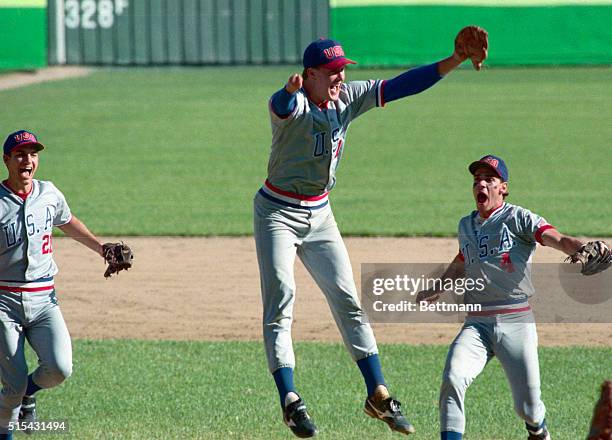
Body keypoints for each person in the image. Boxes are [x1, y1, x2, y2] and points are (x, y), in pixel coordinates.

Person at [254, 27, 488, 438]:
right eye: (331, 71)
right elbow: (280, 104)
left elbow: (401, 86)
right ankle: (290, 400)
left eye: (342, 69)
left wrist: (453, 61)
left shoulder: (346, 97)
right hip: (277, 211)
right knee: (281, 301)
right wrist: (287, 90)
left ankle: (377, 393)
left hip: (320, 213)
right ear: (309, 75)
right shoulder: (294, 105)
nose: (340, 77)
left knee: (348, 300)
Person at [416, 155, 611, 440]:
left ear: (503, 188)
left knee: (528, 408)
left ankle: (538, 431)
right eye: (476, 180)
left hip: (516, 322)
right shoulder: (466, 224)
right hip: (477, 324)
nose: (480, 184)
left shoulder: (519, 217)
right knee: (452, 379)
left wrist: (578, 248)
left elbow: (555, 237)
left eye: (489, 179)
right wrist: (438, 286)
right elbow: (462, 259)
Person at [0, 130, 121, 439]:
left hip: (44, 300)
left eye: (33, 154)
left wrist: (101, 248)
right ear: (6, 160)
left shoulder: (49, 193)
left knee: (59, 368)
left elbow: (67, 221)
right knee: (10, 387)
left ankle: (26, 394)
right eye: (20, 155)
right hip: (4, 302)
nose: (27, 160)